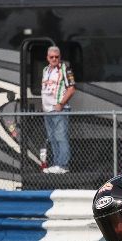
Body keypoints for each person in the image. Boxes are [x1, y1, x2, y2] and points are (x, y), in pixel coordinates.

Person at [40, 45, 75, 174]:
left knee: (61, 136)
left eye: (57, 57)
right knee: (52, 137)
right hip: (47, 110)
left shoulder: (65, 69)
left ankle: (63, 165)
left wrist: (61, 103)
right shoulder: (45, 70)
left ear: (60, 57)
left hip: (59, 109)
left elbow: (72, 88)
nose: (54, 59)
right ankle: (56, 164)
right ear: (47, 58)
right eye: (51, 57)